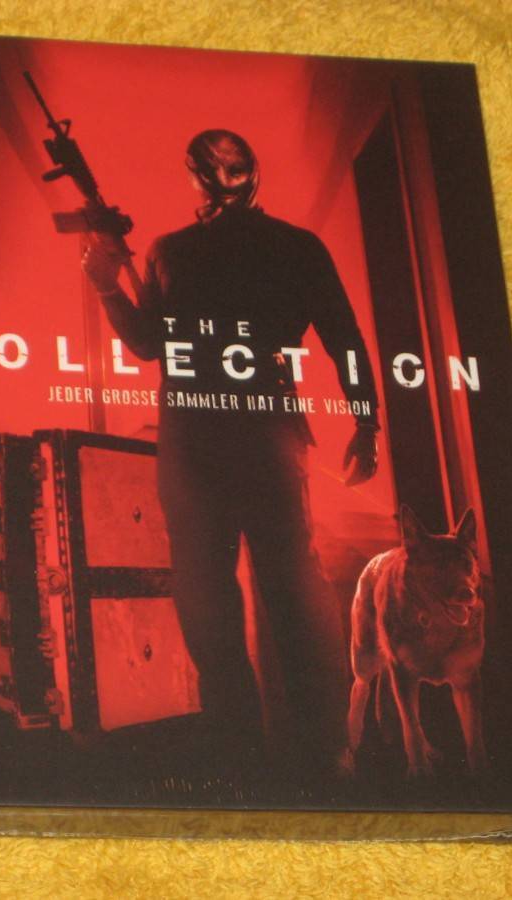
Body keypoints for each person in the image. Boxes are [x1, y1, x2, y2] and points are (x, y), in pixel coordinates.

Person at [82, 129, 380, 777]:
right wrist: (367, 422)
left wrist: (106, 287)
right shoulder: (297, 246)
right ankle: (327, 747)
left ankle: (239, 748)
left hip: (194, 440)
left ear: (196, 178)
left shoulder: (171, 252)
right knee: (291, 585)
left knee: (207, 592)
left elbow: (146, 345)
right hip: (268, 432)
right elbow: (346, 341)